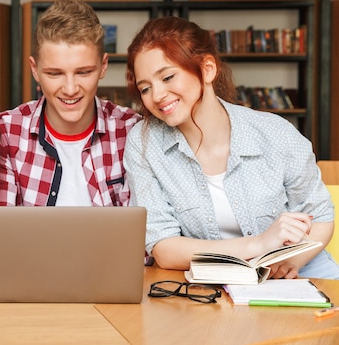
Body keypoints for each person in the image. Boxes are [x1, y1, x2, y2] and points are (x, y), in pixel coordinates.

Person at [124, 15, 339, 279]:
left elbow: (320, 217)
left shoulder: (276, 133)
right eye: (145, 88)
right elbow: (164, 248)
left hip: (300, 272)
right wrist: (258, 245)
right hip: (215, 282)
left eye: (167, 77)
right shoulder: (144, 143)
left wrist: (289, 262)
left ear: (207, 69)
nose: (156, 96)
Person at [0, 0, 140, 207]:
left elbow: (140, 233)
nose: (70, 89)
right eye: (55, 74)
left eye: (84, 72)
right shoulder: (5, 133)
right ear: (34, 69)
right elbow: (1, 232)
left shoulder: (132, 131)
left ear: (103, 66)